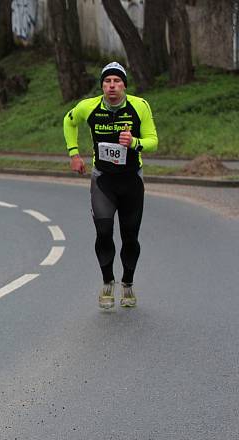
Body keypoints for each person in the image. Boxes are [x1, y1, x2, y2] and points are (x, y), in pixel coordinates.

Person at [63, 62, 158, 309]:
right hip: (103, 180)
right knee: (103, 232)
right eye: (107, 82)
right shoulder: (88, 107)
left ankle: (127, 283)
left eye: (117, 81)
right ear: (102, 86)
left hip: (131, 180)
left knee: (129, 236)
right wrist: (74, 154)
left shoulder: (139, 106)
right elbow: (68, 121)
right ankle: (108, 281)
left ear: (124, 85)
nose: (112, 86)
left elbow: (153, 141)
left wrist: (135, 142)